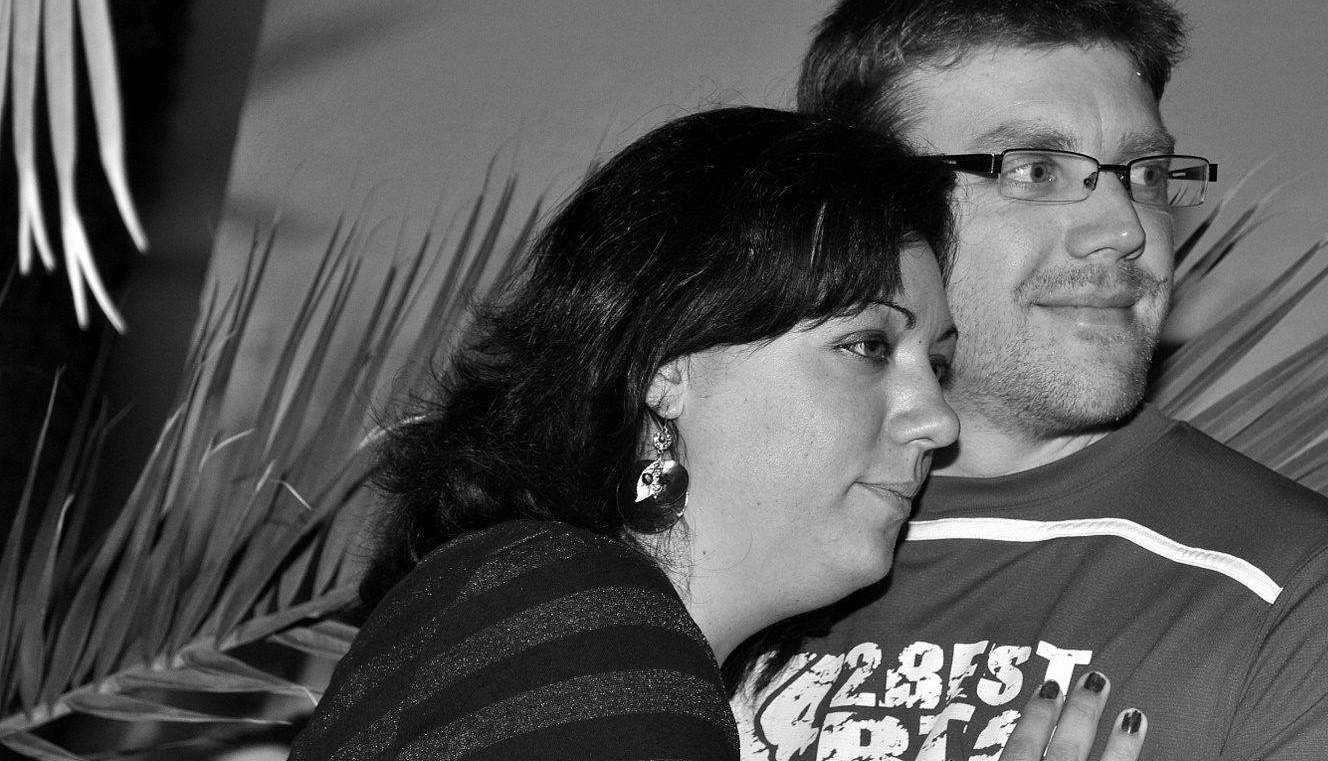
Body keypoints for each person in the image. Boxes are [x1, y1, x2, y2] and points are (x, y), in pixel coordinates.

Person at [733, 0, 1328, 761]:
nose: (1126, 226)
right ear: (866, 211)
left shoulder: (1294, 589)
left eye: (1144, 173)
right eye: (1035, 169)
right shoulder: (722, 552)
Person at [288, 106, 1150, 761]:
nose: (937, 418)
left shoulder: (565, 619)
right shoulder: (583, 622)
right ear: (666, 364)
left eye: (938, 363)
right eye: (866, 345)